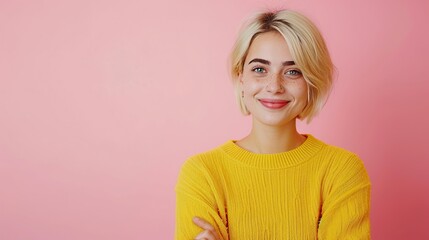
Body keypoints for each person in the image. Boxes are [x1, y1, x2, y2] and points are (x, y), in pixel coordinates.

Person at [175, 9, 371, 240]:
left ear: (311, 81)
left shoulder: (342, 171)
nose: (274, 86)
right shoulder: (202, 174)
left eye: (292, 72)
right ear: (241, 77)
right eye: (260, 69)